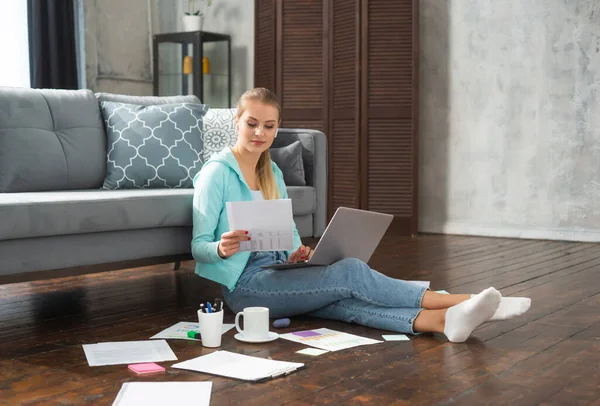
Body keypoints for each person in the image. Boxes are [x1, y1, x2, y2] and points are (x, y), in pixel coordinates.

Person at [191, 87, 531, 343]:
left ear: (278, 128)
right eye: (251, 124)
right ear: (236, 121)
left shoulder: (273, 174)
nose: (259, 133)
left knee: (342, 299)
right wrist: (221, 249)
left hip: (279, 271)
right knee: (351, 274)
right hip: (245, 286)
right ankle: (465, 300)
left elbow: (288, 232)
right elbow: (199, 245)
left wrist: (299, 253)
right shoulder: (216, 173)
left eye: (268, 126)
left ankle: (444, 322)